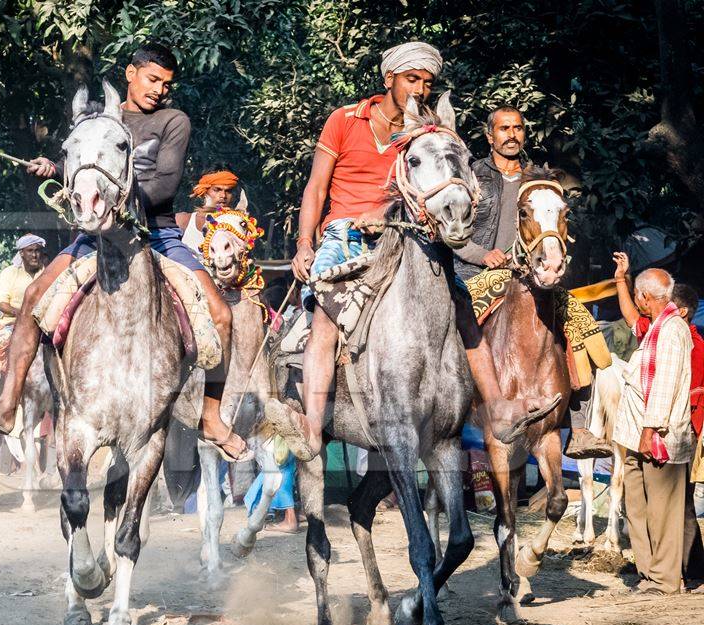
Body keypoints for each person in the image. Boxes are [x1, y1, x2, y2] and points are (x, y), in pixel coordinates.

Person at [0, 41, 247, 459]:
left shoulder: (172, 121)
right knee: (35, 296)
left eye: (166, 84)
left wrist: (120, 200)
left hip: (157, 233)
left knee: (220, 313)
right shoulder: (96, 120)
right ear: (131, 73)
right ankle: (6, 405)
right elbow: (82, 167)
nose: (159, 90)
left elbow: (164, 184)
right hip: (94, 236)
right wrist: (55, 170)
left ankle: (212, 417)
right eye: (152, 79)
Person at [267, 41, 554, 461]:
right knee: (326, 317)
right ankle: (312, 426)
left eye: (427, 81)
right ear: (389, 79)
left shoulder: (427, 131)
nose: (419, 88)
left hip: (408, 234)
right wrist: (305, 242)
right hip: (344, 233)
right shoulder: (345, 120)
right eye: (411, 79)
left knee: (462, 308)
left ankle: (498, 409)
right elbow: (316, 187)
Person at [613, 268, 695, 595]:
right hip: (635, 434)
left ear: (645, 297)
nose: (635, 300)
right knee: (638, 508)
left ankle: (664, 580)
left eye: (636, 294)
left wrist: (649, 432)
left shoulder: (673, 330)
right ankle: (647, 573)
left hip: (659, 437)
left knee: (662, 512)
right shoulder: (654, 328)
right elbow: (631, 318)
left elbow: (664, 385)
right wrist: (621, 279)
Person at [452, 106, 526, 281]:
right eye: (504, 129)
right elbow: (452, 232)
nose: (512, 135)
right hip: (472, 275)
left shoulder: (536, 180)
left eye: (518, 128)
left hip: (524, 276)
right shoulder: (471, 175)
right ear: (490, 137)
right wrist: (483, 255)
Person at [177, 168, 240, 252]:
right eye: (217, 190)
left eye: (228, 191)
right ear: (204, 191)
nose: (223, 196)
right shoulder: (183, 220)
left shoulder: (238, 225)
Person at [0, 234, 45, 328]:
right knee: (3, 342)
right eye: (30, 251)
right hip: (12, 323)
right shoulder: (8, 273)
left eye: (37, 251)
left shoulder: (47, 272)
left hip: (44, 325)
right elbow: (2, 304)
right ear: (21, 253)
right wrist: (24, 315)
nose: (34, 255)